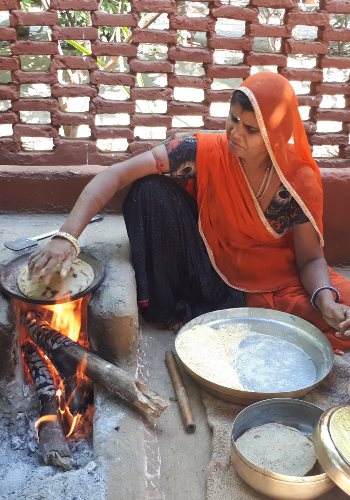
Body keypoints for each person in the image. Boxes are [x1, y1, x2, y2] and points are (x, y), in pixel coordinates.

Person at [28, 71, 350, 352]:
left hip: (269, 283)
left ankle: (211, 313)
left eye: (251, 130)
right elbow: (116, 175)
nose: (235, 133)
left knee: (340, 311)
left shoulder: (298, 182)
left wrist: (323, 298)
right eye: (233, 119)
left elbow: (310, 259)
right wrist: (67, 236)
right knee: (147, 191)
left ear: (274, 136)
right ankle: (177, 308)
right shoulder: (202, 151)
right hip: (207, 266)